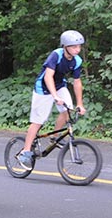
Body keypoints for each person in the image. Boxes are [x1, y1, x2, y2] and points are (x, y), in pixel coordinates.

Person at [17, 30, 86, 170]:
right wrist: (54, 96)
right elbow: (48, 77)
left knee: (68, 110)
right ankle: (25, 151)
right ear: (65, 46)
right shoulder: (56, 55)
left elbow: (77, 82)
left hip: (60, 85)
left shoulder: (77, 60)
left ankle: (55, 136)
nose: (77, 49)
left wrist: (80, 103)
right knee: (38, 121)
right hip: (43, 89)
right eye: (74, 47)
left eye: (79, 47)